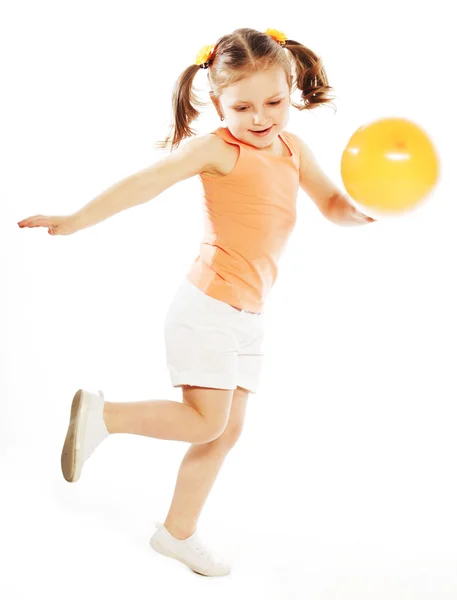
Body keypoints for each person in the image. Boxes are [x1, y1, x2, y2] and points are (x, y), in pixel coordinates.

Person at [17, 27, 375, 577]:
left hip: (247, 316)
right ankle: (103, 417)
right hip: (208, 308)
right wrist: (75, 219)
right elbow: (146, 183)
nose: (261, 118)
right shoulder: (217, 148)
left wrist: (364, 209)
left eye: (275, 102)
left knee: (226, 430)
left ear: (292, 86)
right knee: (207, 422)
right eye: (243, 106)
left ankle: (175, 533)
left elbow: (331, 201)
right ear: (217, 103)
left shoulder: (291, 148)